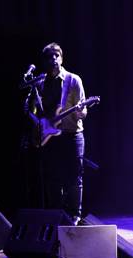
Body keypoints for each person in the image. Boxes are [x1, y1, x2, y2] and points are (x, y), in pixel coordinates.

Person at [27, 42, 87, 225]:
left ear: (61, 58)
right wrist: (39, 122)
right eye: (50, 56)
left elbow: (83, 112)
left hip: (72, 135)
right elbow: (30, 108)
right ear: (45, 61)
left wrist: (80, 112)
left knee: (74, 177)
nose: (54, 59)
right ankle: (56, 216)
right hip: (50, 137)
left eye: (57, 55)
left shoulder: (73, 80)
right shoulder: (39, 83)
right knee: (53, 178)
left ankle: (74, 216)